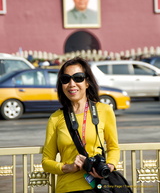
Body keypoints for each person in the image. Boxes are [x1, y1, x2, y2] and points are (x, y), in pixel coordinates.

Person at [42, 57, 120, 193]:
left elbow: (113, 147)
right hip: (67, 188)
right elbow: (46, 162)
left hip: (98, 186)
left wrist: (108, 167)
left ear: (87, 82)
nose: (72, 84)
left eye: (78, 78)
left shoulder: (104, 111)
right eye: (66, 79)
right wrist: (68, 167)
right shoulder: (55, 118)